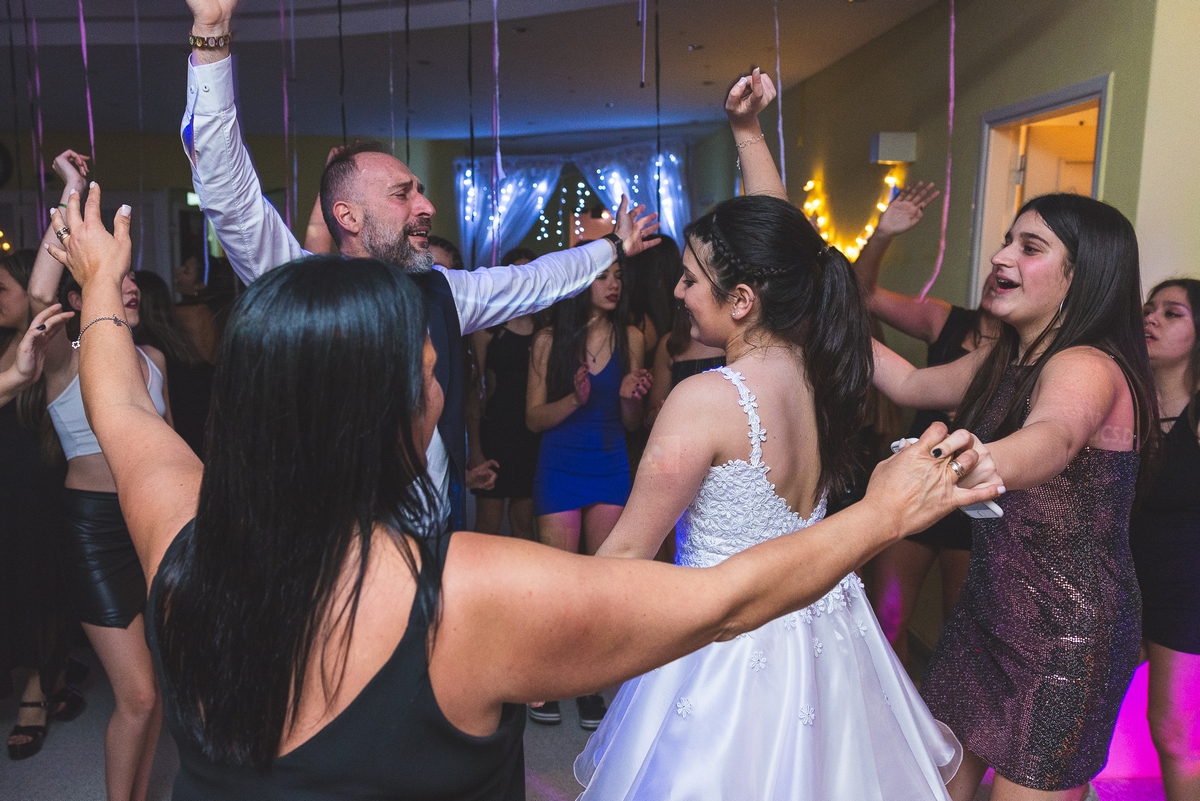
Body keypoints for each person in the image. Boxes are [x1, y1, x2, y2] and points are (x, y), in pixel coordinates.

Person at [47, 182, 1000, 801]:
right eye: (428, 373)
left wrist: (98, 283)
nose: (440, 389)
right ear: (377, 423)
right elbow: (726, 600)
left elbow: (120, 403)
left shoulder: (180, 536)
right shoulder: (468, 592)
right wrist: (880, 513)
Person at [183, 0, 658, 529]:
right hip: (329, 548)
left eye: (422, 193)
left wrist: (611, 249)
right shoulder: (302, 288)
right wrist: (211, 36)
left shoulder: (443, 292)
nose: (426, 206)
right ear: (348, 215)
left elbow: (535, 282)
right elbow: (226, 188)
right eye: (402, 194)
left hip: (431, 544)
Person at [576, 172, 966, 797]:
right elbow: (783, 239)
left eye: (690, 278)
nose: (677, 291)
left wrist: (552, 636)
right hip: (827, 635)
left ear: (741, 300)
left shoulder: (704, 397)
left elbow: (625, 554)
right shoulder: (820, 370)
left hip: (727, 643)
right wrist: (748, 129)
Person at [871, 190, 1156, 800]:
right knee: (927, 784)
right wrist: (812, 312)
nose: (1000, 258)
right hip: (987, 615)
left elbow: (1053, 438)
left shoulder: (1087, 363)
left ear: (1083, 278)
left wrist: (971, 463)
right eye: (1007, 240)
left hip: (1065, 638)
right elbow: (910, 381)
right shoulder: (1005, 358)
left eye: (1029, 248)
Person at [30, 170, 174, 801]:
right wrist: (69, 195)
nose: (130, 287)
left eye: (134, 281)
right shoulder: (67, 353)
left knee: (158, 692)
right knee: (137, 695)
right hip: (92, 530)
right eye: (119, 280)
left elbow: (166, 447)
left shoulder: (155, 361)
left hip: (151, 523)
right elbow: (38, 293)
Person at [850, 181, 1003, 665]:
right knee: (888, 615)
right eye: (1000, 258)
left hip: (978, 497)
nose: (1002, 267)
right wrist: (882, 235)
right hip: (918, 479)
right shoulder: (946, 321)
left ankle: (940, 726)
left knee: (962, 629)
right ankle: (893, 716)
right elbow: (862, 296)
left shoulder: (1038, 356)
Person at [525, 254, 651, 729]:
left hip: (609, 462)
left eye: (618, 276)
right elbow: (533, 419)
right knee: (558, 579)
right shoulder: (547, 341)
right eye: (603, 276)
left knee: (602, 582)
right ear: (580, 281)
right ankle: (549, 675)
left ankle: (588, 685)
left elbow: (632, 424)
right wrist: (573, 400)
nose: (613, 284)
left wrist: (627, 398)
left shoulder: (631, 338)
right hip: (559, 464)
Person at [0, 251, 77, 760]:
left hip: (40, 483)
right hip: (7, 484)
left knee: (41, 578)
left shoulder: (54, 346)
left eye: (2, 289)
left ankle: (41, 685)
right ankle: (43, 679)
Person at [1132, 278, 1200, 800]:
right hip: (1121, 582)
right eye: (1149, 308)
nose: (1152, 317)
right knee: (1074, 723)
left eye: (1172, 312)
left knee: (1174, 732)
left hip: (1186, 590)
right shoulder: (1121, 400)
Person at [467, 247, 539, 540]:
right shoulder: (487, 327)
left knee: (524, 524)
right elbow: (474, 390)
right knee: (488, 525)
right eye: (517, 272)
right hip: (495, 429)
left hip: (531, 434)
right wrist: (475, 450)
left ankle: (520, 587)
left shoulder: (546, 326)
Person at [132, 270, 215, 457]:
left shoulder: (146, 352)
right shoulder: (182, 345)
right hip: (198, 447)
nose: (131, 289)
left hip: (173, 452)